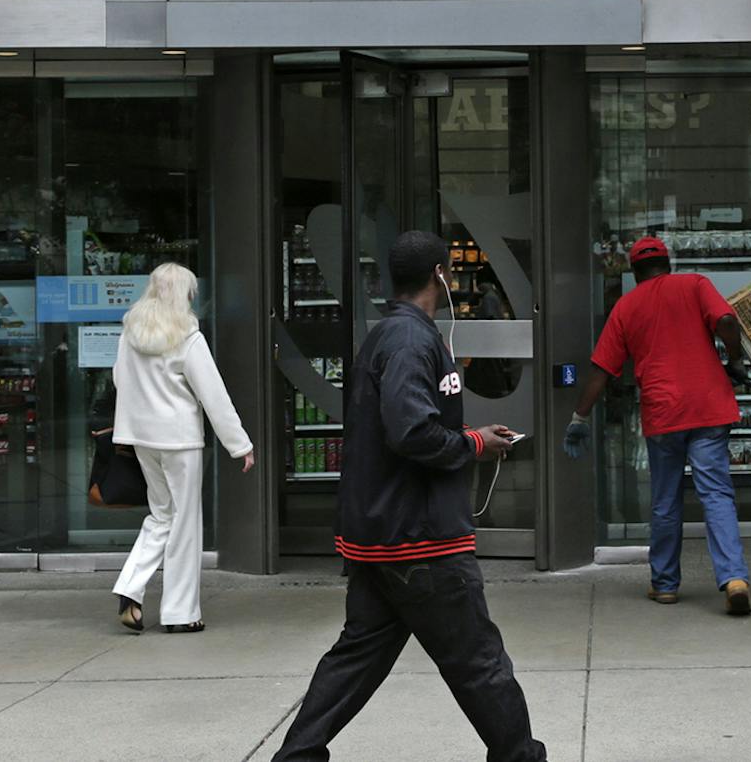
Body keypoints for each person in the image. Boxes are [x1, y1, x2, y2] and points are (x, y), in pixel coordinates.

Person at [274, 231, 544, 762]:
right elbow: (410, 430)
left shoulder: (390, 336)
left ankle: (296, 757)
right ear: (440, 275)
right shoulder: (410, 342)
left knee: (355, 660)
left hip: (383, 538)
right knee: (481, 665)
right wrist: (473, 443)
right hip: (421, 540)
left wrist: (469, 437)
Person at [563, 235, 751, 614]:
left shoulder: (626, 307)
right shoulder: (695, 285)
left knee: (665, 501)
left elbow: (601, 370)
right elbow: (728, 321)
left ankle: (665, 584)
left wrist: (579, 417)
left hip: (663, 413)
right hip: (709, 406)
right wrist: (735, 360)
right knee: (716, 494)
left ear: (635, 272)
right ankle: (733, 578)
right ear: (669, 263)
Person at [107, 262, 253, 634]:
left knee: (161, 516)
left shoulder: (130, 332)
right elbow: (213, 395)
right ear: (184, 294)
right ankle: (180, 612)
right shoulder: (188, 334)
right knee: (185, 522)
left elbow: (119, 379)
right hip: (180, 439)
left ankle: (129, 588)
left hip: (141, 437)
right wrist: (239, 445)